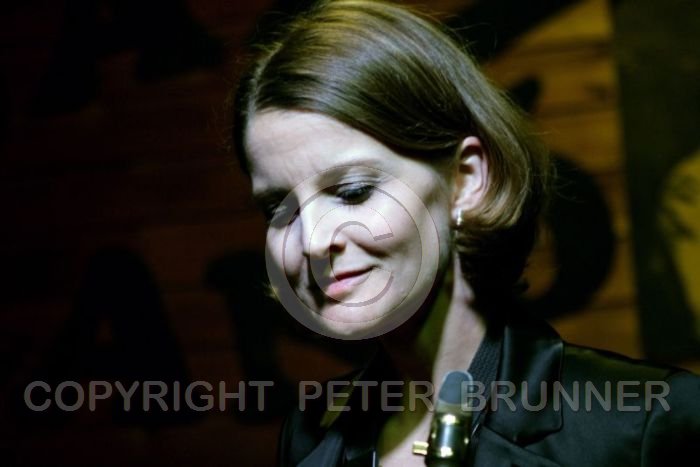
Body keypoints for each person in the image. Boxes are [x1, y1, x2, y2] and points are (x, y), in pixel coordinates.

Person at [230, 1, 700, 465]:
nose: (313, 242)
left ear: (466, 180)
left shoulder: (646, 423)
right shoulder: (310, 435)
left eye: (353, 193)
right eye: (279, 209)